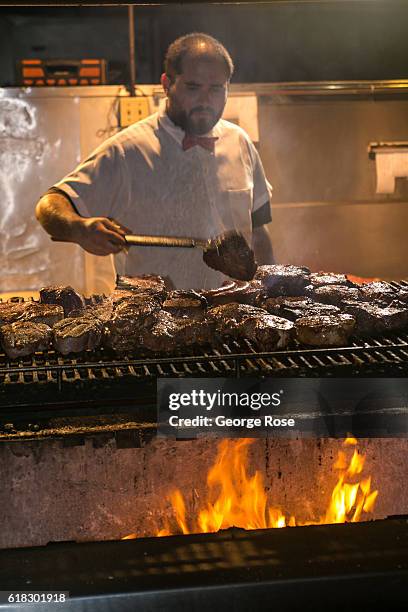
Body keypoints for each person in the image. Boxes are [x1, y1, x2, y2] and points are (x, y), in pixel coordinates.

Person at [36, 32, 273, 290]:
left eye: (216, 88)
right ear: (166, 84)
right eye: (193, 88)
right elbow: (49, 204)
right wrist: (79, 229)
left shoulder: (240, 142)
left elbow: (258, 232)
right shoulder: (126, 152)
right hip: (151, 322)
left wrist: (272, 291)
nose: (206, 101)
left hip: (234, 316)